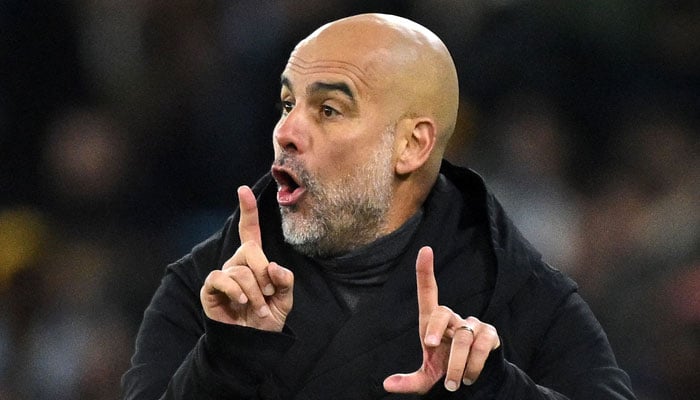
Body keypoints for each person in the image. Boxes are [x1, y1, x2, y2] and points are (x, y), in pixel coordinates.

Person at [122, 13, 636, 399]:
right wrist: (225, 358)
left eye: (328, 109)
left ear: (411, 145)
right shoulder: (208, 290)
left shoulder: (519, 293)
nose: (285, 131)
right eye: (286, 104)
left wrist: (492, 388)